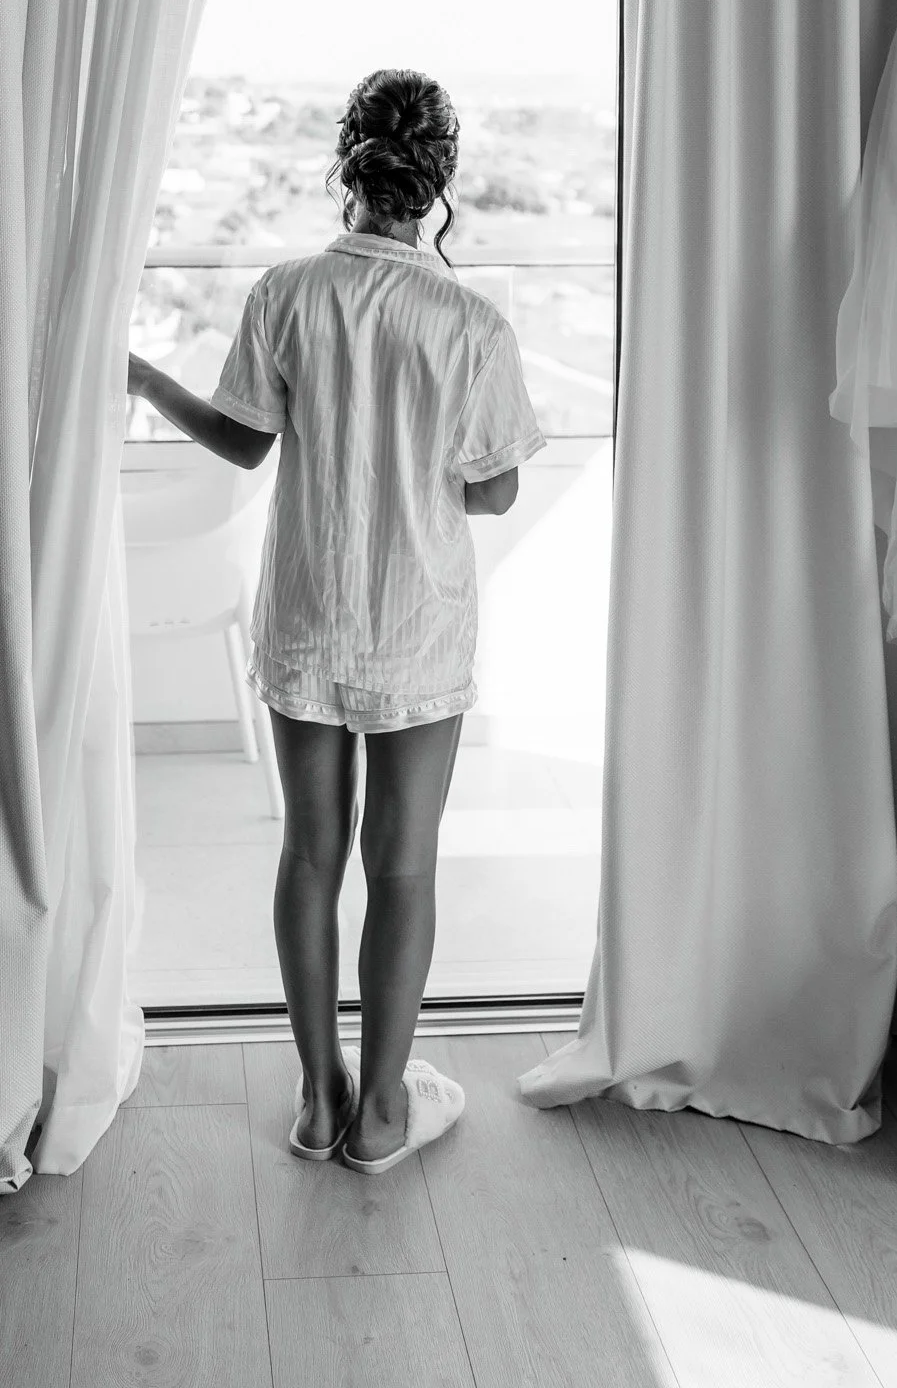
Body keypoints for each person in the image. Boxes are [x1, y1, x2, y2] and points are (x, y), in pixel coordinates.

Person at [127, 67, 544, 1173]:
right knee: (401, 866)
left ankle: (318, 1099)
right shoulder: (471, 323)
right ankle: (386, 1115)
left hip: (309, 610)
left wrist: (136, 374)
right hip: (416, 622)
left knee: (310, 853)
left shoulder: (287, 292)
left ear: (346, 164)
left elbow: (240, 437)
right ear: (438, 181)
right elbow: (496, 488)